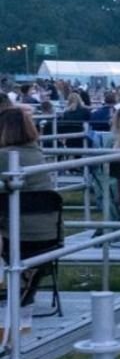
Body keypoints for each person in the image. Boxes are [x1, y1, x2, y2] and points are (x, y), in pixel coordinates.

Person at [0, 107, 59, 310]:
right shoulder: (36, 153)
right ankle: (24, 282)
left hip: (19, 233)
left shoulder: (5, 156)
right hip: (49, 232)